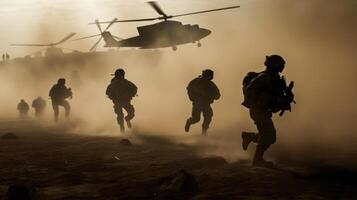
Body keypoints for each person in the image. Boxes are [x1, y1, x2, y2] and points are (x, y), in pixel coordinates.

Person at [241, 55, 295, 167]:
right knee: (269, 136)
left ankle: (249, 137)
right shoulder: (264, 77)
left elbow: (278, 96)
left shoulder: (275, 78)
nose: (282, 67)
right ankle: (257, 160)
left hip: (263, 110)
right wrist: (265, 98)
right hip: (258, 110)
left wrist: (286, 98)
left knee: (268, 136)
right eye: (281, 65)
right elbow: (250, 91)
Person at [185, 69, 221, 135]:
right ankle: (189, 121)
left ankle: (204, 131)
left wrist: (213, 96)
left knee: (208, 116)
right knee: (196, 119)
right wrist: (198, 93)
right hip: (197, 103)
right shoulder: (197, 81)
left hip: (206, 103)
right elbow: (189, 88)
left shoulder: (211, 84)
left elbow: (218, 95)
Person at [106, 68, 138, 132]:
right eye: (117, 75)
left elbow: (135, 88)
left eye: (120, 75)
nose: (119, 77)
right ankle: (122, 127)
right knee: (120, 115)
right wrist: (112, 97)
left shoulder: (126, 82)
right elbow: (107, 92)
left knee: (131, 113)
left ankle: (127, 119)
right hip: (117, 102)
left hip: (126, 101)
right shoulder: (113, 84)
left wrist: (132, 94)